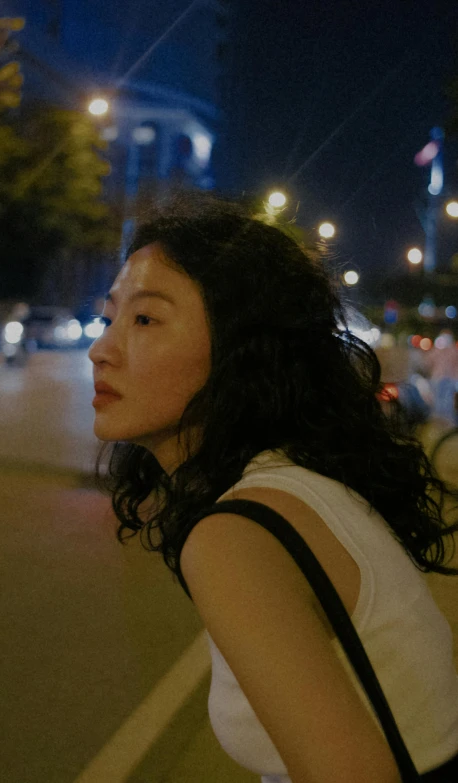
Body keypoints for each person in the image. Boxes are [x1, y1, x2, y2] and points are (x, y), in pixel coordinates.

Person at [88, 193, 458, 783]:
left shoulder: (235, 535)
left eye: (145, 319)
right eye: (110, 317)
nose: (100, 349)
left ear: (240, 351)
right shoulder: (295, 482)